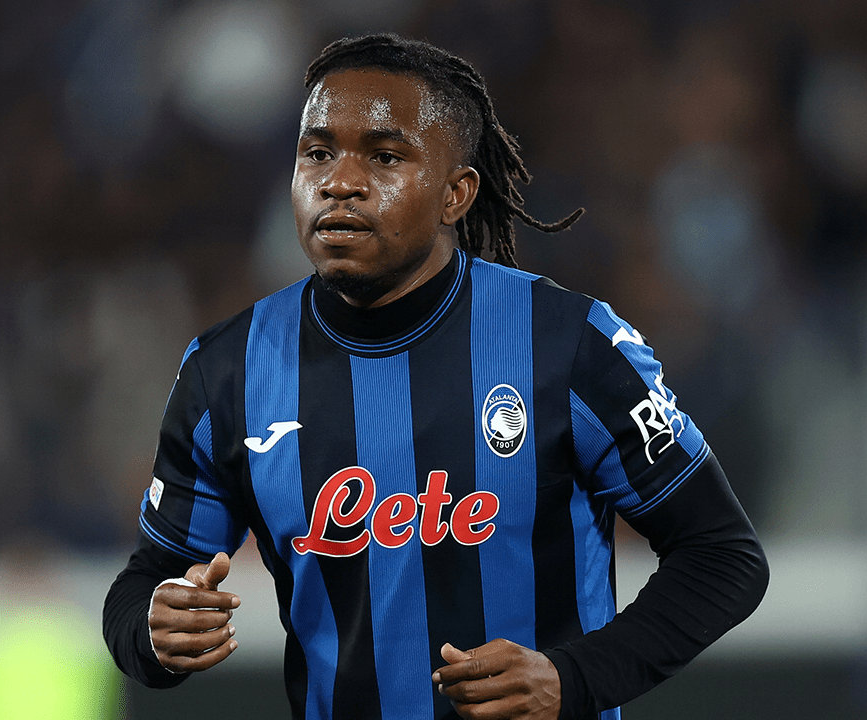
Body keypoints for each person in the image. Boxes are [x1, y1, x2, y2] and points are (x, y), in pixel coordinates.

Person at [103, 33, 768, 720]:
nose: (340, 182)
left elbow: (723, 555)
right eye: (318, 153)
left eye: (385, 156)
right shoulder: (228, 371)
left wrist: (573, 678)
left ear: (456, 194)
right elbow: (144, 585)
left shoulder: (568, 343)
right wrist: (156, 629)